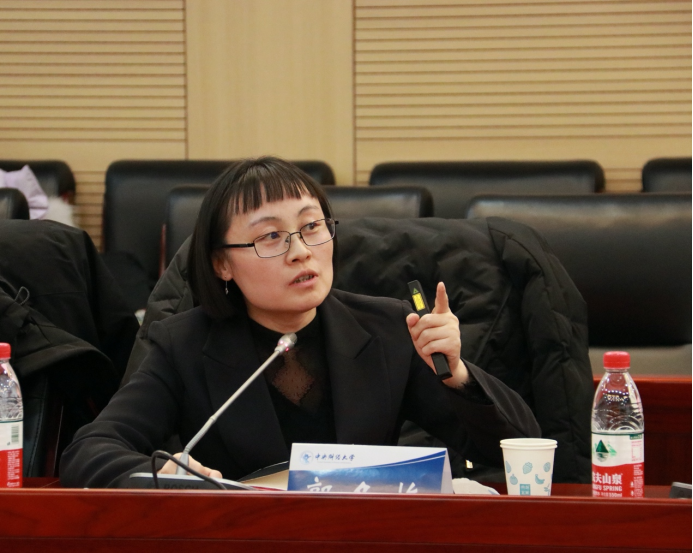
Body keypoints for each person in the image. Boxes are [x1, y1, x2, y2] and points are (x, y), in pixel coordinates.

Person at [60, 156, 540, 488]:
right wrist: (162, 476)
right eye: (271, 237)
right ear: (221, 264)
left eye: (311, 226)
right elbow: (90, 450)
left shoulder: (389, 329)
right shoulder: (183, 344)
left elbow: (516, 450)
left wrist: (457, 375)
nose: (301, 251)